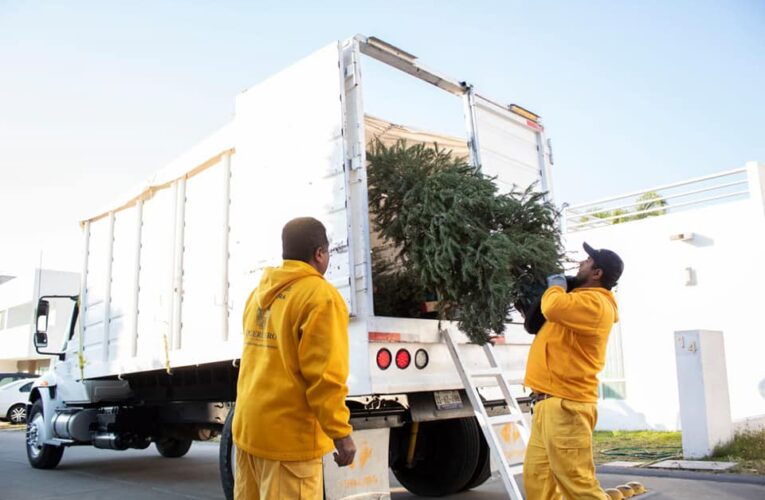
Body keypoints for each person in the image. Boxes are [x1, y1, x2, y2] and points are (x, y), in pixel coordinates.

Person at [233, 217, 356, 500]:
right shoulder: (321, 297)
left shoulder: (258, 294)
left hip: (248, 432)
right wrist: (340, 433)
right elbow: (325, 376)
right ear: (319, 254)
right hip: (288, 444)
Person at [522, 242, 624, 500]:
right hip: (547, 403)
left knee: (579, 486)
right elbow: (545, 317)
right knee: (538, 481)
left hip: (567, 407)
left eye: (587, 261)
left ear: (597, 273)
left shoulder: (597, 304)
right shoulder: (577, 302)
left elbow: (553, 307)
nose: (581, 263)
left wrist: (555, 287)